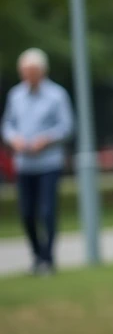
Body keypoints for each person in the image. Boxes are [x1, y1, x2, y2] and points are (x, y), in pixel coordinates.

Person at [2, 48, 74, 275]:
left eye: (32, 71)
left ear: (42, 71)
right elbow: (7, 125)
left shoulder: (57, 95)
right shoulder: (16, 95)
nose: (28, 76)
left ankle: (48, 259)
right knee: (26, 213)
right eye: (24, 71)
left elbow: (67, 126)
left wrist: (46, 139)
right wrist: (15, 140)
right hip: (24, 164)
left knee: (47, 211)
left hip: (49, 163)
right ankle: (37, 254)